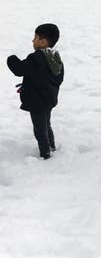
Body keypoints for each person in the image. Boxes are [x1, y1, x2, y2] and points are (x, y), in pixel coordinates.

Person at [7, 23, 65, 159]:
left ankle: (46, 154)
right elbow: (58, 78)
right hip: (49, 99)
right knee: (47, 124)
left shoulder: (36, 58)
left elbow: (19, 69)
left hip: (37, 102)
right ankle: (51, 146)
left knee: (40, 129)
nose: (33, 40)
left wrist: (11, 59)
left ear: (43, 41)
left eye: (35, 37)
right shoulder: (55, 57)